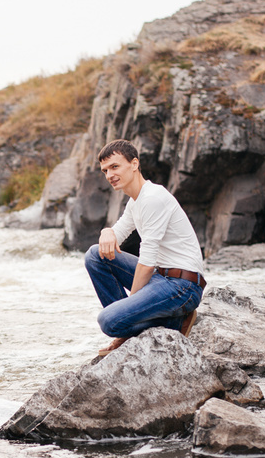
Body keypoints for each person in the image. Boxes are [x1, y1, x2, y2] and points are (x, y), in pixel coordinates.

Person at [84, 139, 206, 356]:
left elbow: (147, 263)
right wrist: (106, 231)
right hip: (162, 279)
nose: (109, 175)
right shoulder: (135, 201)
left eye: (115, 167)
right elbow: (117, 234)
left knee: (109, 321)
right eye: (105, 170)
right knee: (95, 255)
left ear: (134, 164)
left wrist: (129, 309)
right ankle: (154, 322)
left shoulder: (153, 198)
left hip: (183, 286)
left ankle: (168, 322)